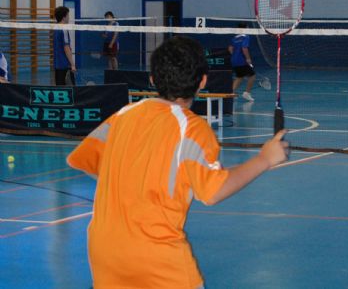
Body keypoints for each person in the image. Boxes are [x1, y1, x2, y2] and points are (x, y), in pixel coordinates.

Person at [67, 36, 289, 289]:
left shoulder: (122, 115)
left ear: (152, 79)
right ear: (202, 81)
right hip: (156, 257)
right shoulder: (192, 128)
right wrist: (264, 159)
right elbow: (213, 191)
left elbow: (86, 160)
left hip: (103, 250)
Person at [228, 22, 256, 102]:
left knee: (239, 77)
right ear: (246, 28)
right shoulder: (246, 37)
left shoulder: (235, 38)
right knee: (252, 76)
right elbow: (244, 48)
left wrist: (235, 55)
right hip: (242, 61)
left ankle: (231, 93)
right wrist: (248, 58)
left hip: (234, 61)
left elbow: (230, 48)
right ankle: (247, 93)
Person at [53, 6, 76, 85]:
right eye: (68, 15)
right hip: (64, 65)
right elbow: (66, 48)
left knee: (59, 89)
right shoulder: (64, 29)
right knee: (69, 89)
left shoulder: (56, 28)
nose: (69, 17)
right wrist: (72, 64)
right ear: (64, 17)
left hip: (57, 64)